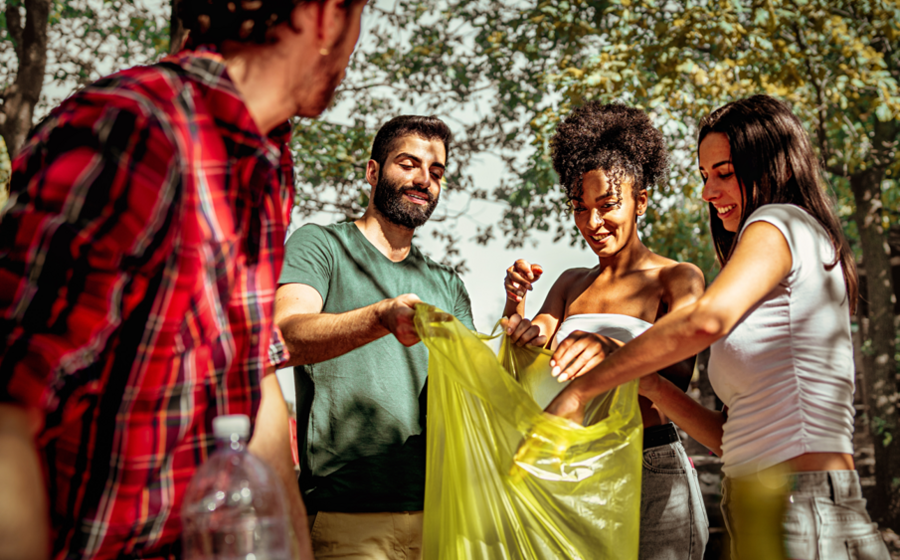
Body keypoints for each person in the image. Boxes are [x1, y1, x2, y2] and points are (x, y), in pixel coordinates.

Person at [0, 0, 367, 558]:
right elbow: (8, 413)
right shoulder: (132, 126)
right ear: (326, 15)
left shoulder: (269, 165)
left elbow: (252, 374)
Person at [544, 95, 892, 560]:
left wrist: (582, 388)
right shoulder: (775, 250)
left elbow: (704, 319)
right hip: (759, 502)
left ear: (774, 167)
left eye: (724, 173)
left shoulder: (778, 221)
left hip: (800, 500)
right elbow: (730, 439)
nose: (708, 192)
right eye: (705, 176)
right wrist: (646, 383)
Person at [501, 102, 709, 559]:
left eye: (608, 205)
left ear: (643, 199)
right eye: (580, 208)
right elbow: (533, 352)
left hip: (651, 467)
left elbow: (675, 370)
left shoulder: (677, 278)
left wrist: (611, 349)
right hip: (578, 469)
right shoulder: (570, 283)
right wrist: (514, 304)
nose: (592, 224)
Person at [274, 115, 474, 559]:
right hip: (346, 514)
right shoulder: (320, 245)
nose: (424, 179)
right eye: (408, 164)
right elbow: (285, 335)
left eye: (436, 172)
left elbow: (470, 391)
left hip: (441, 514)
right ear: (372, 171)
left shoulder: (448, 284)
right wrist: (380, 317)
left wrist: (516, 324)